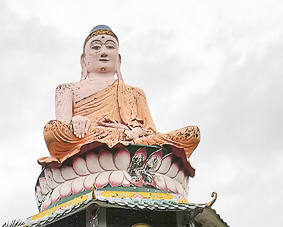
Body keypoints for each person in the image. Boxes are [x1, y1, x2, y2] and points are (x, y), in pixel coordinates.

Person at [41, 25, 200, 165]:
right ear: (84, 60)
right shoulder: (66, 89)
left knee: (191, 134)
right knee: (52, 130)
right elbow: (61, 127)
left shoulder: (135, 93)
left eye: (110, 47)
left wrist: (130, 132)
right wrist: (74, 120)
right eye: (96, 47)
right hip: (88, 141)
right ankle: (122, 148)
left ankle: (121, 146)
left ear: (118, 59)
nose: (103, 52)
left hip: (130, 141)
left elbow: (150, 132)